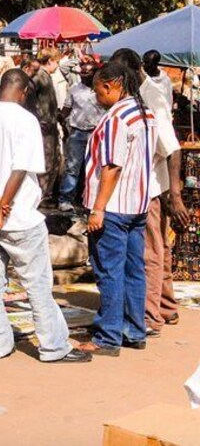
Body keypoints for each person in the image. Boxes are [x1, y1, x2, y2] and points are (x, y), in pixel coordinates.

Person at [0, 69, 90, 363]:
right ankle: (53, 347)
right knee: (37, 284)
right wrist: (2, 205)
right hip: (16, 217)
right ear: (22, 92)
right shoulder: (25, 120)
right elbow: (20, 168)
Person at [77, 61, 157, 357]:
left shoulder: (116, 118)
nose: (97, 97)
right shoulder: (145, 113)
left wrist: (98, 208)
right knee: (133, 269)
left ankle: (108, 336)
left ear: (110, 86)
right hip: (137, 205)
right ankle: (134, 330)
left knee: (109, 271)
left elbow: (112, 166)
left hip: (114, 206)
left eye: (98, 91)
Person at [112, 48, 189, 337]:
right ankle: (166, 306)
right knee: (160, 249)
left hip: (153, 188)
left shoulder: (151, 99)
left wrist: (176, 196)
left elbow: (173, 149)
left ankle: (149, 315)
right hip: (153, 185)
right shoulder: (140, 96)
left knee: (150, 252)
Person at [57, 62, 104, 211]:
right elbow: (66, 109)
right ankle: (65, 199)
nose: (83, 76)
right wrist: (60, 121)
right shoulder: (74, 89)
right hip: (77, 132)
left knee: (95, 168)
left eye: (87, 73)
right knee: (72, 168)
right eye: (81, 73)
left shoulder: (102, 90)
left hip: (97, 133)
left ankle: (90, 199)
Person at [23, 52, 60, 202]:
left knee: (53, 161)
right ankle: (39, 198)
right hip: (43, 126)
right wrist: (37, 121)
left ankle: (44, 195)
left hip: (50, 124)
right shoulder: (38, 77)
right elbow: (28, 101)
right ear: (51, 60)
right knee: (45, 163)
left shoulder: (45, 76)